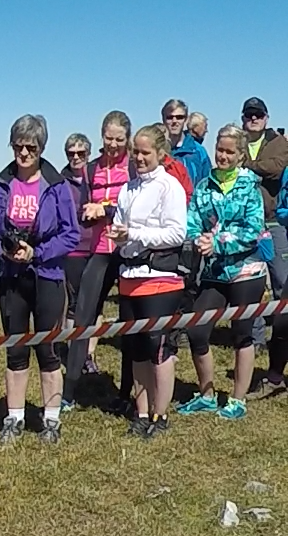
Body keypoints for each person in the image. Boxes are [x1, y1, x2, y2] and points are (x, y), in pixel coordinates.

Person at [0, 116, 81, 445]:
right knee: (16, 350)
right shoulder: (1, 184)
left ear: (41, 148)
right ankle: (15, 417)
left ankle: (51, 420)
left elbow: (71, 234)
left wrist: (37, 253)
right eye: (18, 146)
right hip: (11, 278)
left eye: (31, 147)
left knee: (48, 350)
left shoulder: (56, 186)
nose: (23, 153)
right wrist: (4, 251)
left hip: (47, 276)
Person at [176, 125, 268, 421]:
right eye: (220, 150)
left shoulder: (250, 187)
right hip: (214, 272)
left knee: (241, 334)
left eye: (230, 152)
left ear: (241, 155)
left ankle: (238, 399)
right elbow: (192, 221)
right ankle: (206, 394)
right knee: (196, 330)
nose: (223, 156)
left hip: (247, 270)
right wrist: (198, 240)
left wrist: (216, 242)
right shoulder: (204, 186)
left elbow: (253, 230)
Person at [113, 125, 189, 438]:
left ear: (160, 153)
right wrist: (120, 237)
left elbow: (176, 233)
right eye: (136, 152)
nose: (139, 158)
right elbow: (120, 226)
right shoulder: (127, 188)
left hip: (160, 280)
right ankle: (142, 412)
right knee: (136, 350)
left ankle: (161, 414)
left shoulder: (169, 187)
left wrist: (135, 234)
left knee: (159, 349)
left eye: (146, 152)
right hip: (129, 278)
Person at [69, 112, 134, 392]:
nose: (113, 145)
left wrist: (106, 209)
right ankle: (70, 388)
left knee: (130, 321)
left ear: (128, 139)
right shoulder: (91, 168)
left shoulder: (134, 166)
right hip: (99, 249)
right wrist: (87, 213)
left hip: (129, 251)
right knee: (83, 313)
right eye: (108, 138)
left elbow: (137, 208)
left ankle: (127, 391)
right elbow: (83, 209)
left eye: (119, 139)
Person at [237, 98, 288, 396]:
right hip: (245, 223)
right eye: (249, 115)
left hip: (272, 223)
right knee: (250, 282)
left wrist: (247, 166)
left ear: (266, 118)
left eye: (258, 115)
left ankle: (280, 334)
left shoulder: (278, 142)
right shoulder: (239, 140)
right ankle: (255, 339)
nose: (253, 119)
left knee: (281, 280)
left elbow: (275, 168)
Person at [55, 133, 95, 381]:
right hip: (73, 249)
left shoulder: (97, 177)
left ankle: (88, 354)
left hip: (98, 247)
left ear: (88, 154)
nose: (76, 158)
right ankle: (73, 354)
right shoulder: (61, 181)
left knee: (94, 303)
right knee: (75, 303)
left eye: (81, 153)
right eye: (71, 153)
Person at [164, 100, 211, 189]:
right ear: (163, 119)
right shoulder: (157, 151)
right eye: (170, 117)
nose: (174, 121)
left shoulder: (198, 151)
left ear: (186, 120)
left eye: (179, 117)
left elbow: (207, 184)